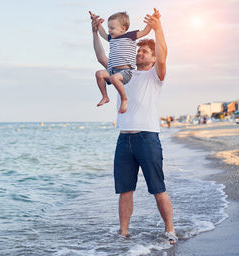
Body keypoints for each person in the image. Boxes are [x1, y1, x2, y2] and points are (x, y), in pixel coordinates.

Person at [91, 9, 177, 244]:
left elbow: (163, 56)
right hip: (124, 140)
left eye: (144, 51)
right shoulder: (123, 73)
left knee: (158, 188)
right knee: (125, 190)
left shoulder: (155, 77)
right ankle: (123, 233)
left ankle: (170, 230)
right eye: (138, 49)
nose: (139, 52)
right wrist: (94, 30)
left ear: (151, 57)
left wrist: (158, 28)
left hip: (147, 138)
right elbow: (101, 58)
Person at [89, 11, 152, 113]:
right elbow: (103, 33)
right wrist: (97, 22)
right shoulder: (112, 39)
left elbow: (145, 31)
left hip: (125, 72)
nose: (109, 30)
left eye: (112, 28)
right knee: (99, 74)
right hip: (113, 71)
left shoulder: (130, 36)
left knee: (114, 78)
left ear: (123, 28)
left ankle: (124, 99)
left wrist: (151, 22)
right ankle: (105, 97)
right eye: (109, 27)